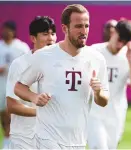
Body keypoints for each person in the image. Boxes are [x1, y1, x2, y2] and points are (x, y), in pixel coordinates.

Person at [14, 4, 109, 149]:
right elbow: (19, 87)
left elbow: (103, 101)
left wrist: (98, 92)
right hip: (47, 138)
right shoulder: (44, 55)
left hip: (78, 141)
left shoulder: (97, 59)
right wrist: (34, 97)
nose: (84, 31)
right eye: (78, 26)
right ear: (65, 28)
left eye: (86, 26)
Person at [88, 19, 131, 149]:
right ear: (113, 32)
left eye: (124, 42)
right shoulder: (95, 51)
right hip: (94, 112)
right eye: (119, 40)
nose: (120, 45)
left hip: (116, 114)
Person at [6, 16, 57, 149]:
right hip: (24, 139)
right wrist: (41, 113)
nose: (50, 38)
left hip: (52, 138)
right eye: (45, 34)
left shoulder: (61, 65)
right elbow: (12, 105)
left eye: (53, 34)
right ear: (33, 38)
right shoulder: (20, 64)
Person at [0, 20, 30, 147]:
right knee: (4, 118)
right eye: (4, 29)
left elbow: (29, 67)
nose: (6, 32)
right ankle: (8, 141)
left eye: (9, 29)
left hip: (15, 88)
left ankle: (8, 144)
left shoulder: (21, 47)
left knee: (11, 117)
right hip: (1, 86)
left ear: (14, 31)